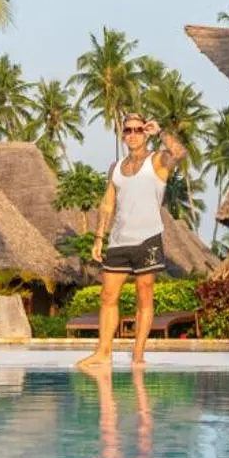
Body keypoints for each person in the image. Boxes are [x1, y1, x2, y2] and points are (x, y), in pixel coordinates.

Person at [76, 115, 185, 369]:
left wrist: (161, 132)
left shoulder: (157, 160)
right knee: (107, 295)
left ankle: (138, 353)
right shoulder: (116, 167)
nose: (134, 134)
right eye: (129, 130)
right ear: (123, 135)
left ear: (145, 133)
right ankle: (103, 352)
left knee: (144, 295)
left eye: (139, 129)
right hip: (118, 241)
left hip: (148, 239)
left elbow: (179, 153)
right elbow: (107, 204)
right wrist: (99, 237)